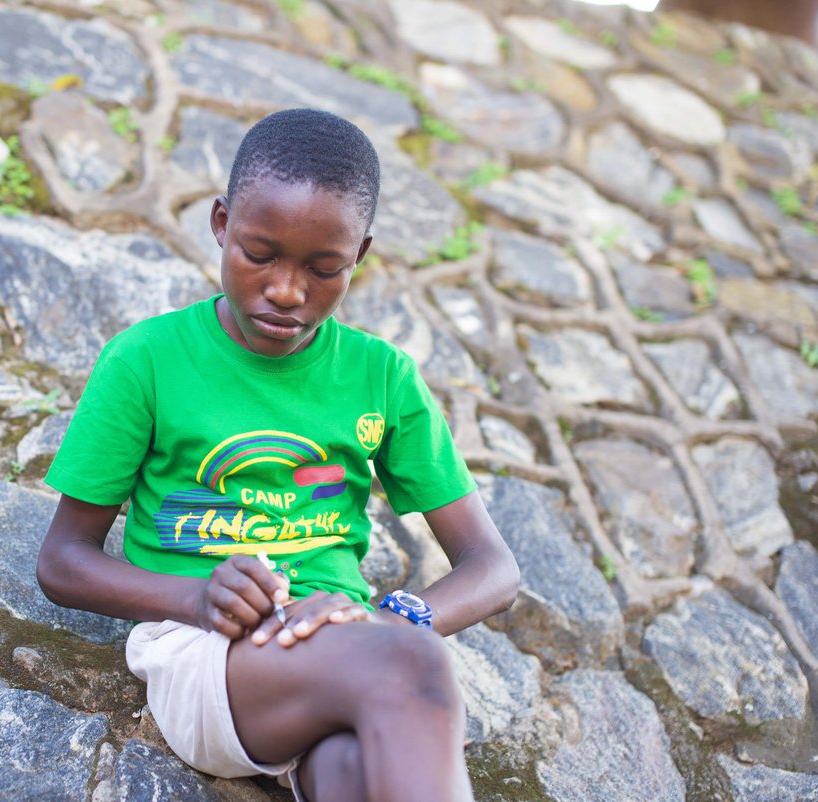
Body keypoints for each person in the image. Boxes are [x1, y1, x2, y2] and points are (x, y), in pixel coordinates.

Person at [37, 108, 519, 802]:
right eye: (259, 254)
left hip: (344, 660)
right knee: (415, 667)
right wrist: (199, 598)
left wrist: (389, 621)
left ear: (362, 255)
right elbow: (63, 562)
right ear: (222, 224)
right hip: (203, 653)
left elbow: (493, 568)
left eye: (325, 269)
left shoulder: (382, 377)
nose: (288, 291)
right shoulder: (148, 359)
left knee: (358, 770)